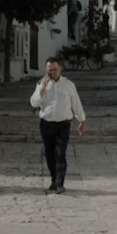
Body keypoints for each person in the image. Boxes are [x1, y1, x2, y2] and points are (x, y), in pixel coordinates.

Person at [30, 58, 86, 193]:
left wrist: (82, 120)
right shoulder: (41, 84)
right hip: (46, 125)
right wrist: (42, 89)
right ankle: (54, 180)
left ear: (60, 68)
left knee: (60, 153)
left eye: (54, 69)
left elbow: (76, 103)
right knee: (49, 154)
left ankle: (60, 183)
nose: (52, 72)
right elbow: (34, 103)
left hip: (63, 125)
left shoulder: (68, 85)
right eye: (49, 70)